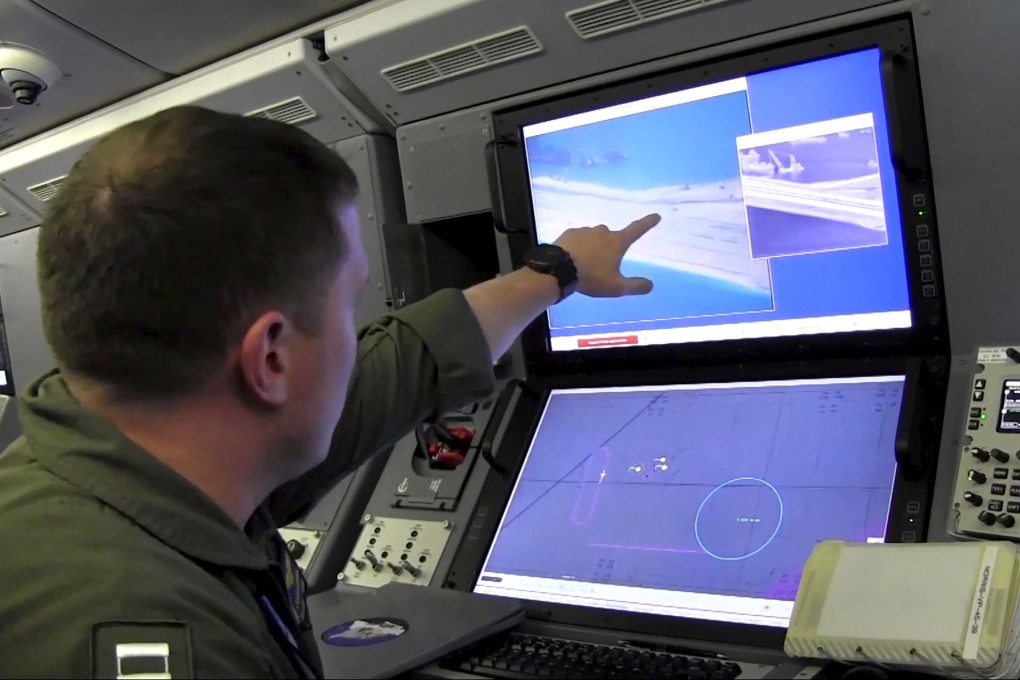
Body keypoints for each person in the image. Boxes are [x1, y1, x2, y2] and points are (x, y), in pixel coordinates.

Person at [0, 105, 661, 679]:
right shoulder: (154, 630)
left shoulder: (146, 451)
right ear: (272, 359)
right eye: (349, 307)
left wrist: (560, 271)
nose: (358, 336)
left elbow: (407, 363)